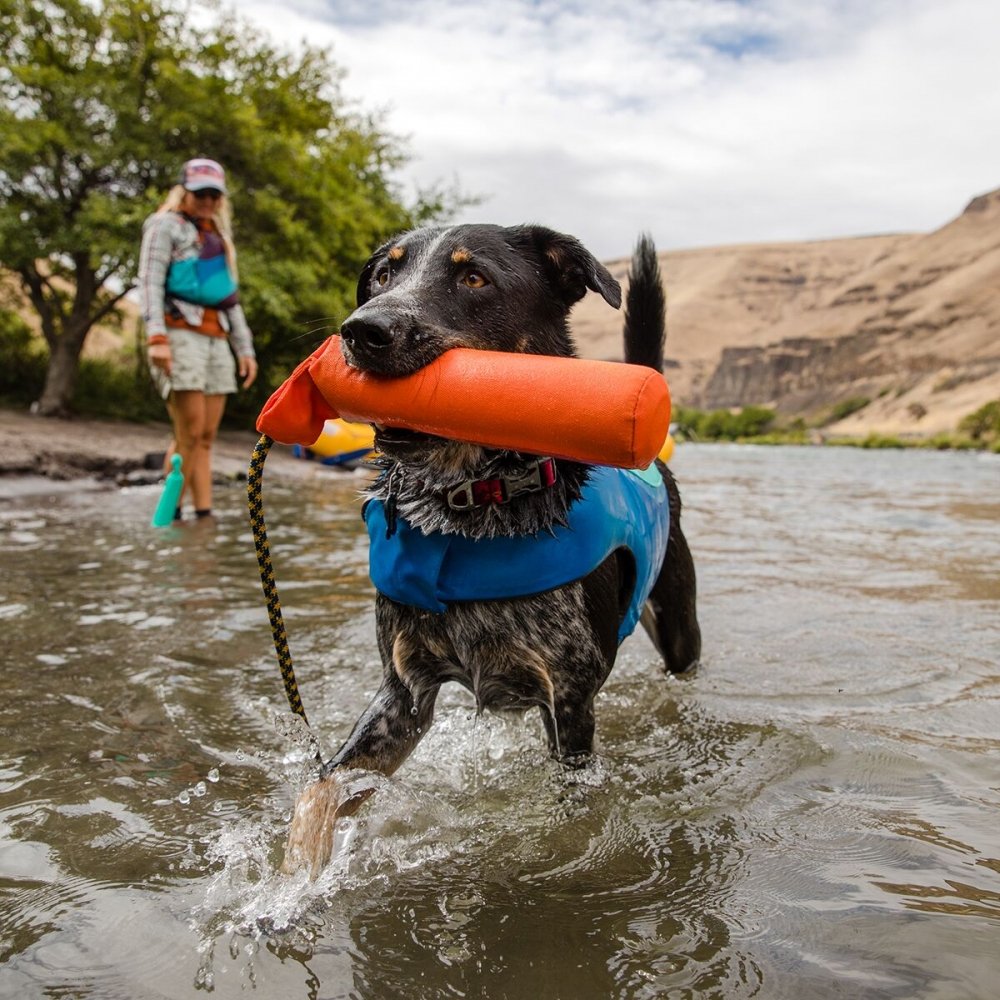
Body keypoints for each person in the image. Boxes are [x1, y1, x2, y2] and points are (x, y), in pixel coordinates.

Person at [139, 158, 258, 520]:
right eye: (200, 193)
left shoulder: (218, 237)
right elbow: (150, 281)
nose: (207, 200)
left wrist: (244, 348)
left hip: (215, 340)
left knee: (206, 435)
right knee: (188, 431)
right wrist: (156, 337)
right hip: (179, 335)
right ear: (184, 191)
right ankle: (169, 514)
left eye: (214, 194)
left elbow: (230, 299)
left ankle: (203, 515)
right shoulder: (164, 225)